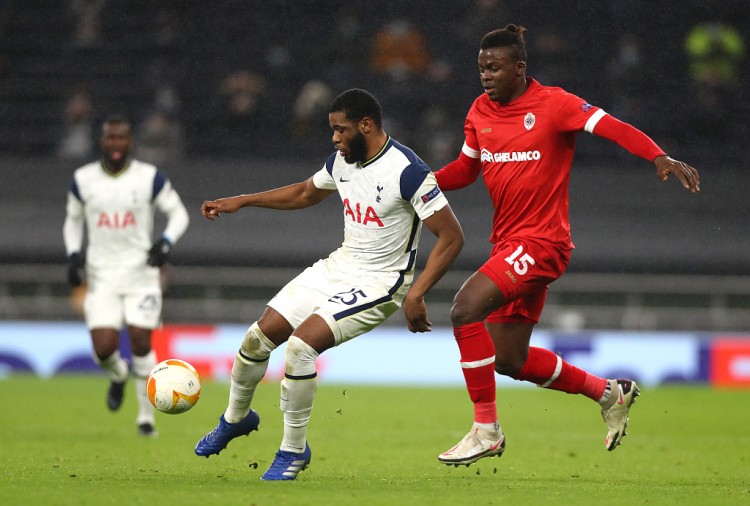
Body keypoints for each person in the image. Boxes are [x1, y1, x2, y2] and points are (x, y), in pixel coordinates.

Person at [434, 25, 700, 466]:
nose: (486, 76)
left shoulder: (554, 104)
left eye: (495, 68)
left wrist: (657, 155)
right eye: (482, 68)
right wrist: (421, 183)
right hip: (509, 246)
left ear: (520, 68)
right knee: (509, 359)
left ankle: (486, 430)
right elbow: (465, 169)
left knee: (464, 309)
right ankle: (609, 393)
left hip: (542, 243)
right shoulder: (479, 111)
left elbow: (611, 126)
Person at [194, 88, 464, 481]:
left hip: (381, 282)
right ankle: (236, 419)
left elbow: (452, 237)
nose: (334, 138)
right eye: (333, 130)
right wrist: (243, 200)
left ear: (366, 125)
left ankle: (292, 451)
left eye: (341, 129)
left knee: (301, 348)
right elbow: (306, 193)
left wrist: (417, 293)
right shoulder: (342, 160)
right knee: (258, 337)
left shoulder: (408, 172)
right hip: (339, 266)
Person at [63, 115, 190, 436]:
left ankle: (146, 419)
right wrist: (73, 253)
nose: (116, 143)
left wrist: (165, 242)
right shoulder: (83, 179)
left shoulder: (149, 177)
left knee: (140, 339)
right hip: (101, 276)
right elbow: (73, 220)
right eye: (111, 137)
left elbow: (179, 214)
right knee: (103, 350)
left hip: (141, 274)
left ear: (130, 141)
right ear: (102, 141)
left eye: (121, 138)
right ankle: (118, 373)